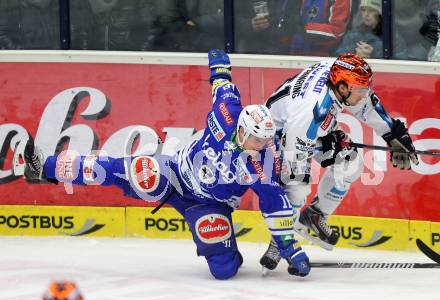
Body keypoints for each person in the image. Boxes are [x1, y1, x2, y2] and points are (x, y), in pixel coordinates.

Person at [17, 50, 310, 280]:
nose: (261, 146)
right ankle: (45, 167)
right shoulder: (227, 112)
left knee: (224, 271)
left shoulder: (264, 165)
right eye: (257, 139)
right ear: (242, 129)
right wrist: (220, 66)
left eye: (265, 140)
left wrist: (291, 250)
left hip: (209, 206)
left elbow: (276, 207)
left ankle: (228, 250)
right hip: (174, 174)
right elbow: (222, 86)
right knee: (111, 169)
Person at [259, 53, 419, 270]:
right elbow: (294, 172)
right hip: (276, 137)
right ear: (342, 88)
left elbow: (367, 107)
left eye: (365, 89)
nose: (364, 95)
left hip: (305, 126)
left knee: (350, 163)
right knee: (296, 189)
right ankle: (280, 241)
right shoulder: (310, 113)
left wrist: (393, 134)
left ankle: (314, 216)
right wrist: (324, 141)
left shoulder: (337, 77)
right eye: (360, 90)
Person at [336, 0, 408, 59]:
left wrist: (373, 55)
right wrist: (355, 56)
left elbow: (400, 63)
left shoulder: (393, 37)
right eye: (363, 10)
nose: (366, 14)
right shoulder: (354, 34)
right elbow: (339, 57)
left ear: (380, 13)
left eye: (372, 10)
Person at [234, 0, 301, 55]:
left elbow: (299, 19)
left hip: (284, 51)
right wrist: (249, 24)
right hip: (252, 51)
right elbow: (226, 18)